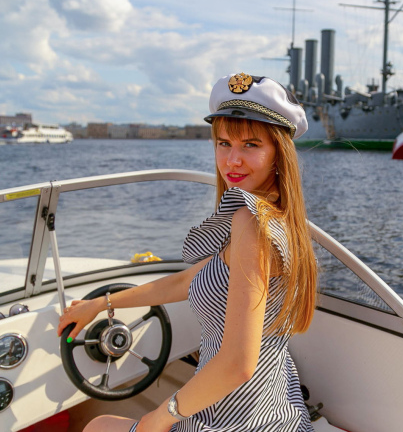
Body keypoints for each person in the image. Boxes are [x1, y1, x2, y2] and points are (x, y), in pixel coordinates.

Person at [57, 72, 318, 432]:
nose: (232, 160)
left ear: (278, 153)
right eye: (224, 143)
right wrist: (102, 304)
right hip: (275, 406)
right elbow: (185, 281)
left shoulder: (251, 223)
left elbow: (237, 364)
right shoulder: (278, 217)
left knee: (97, 426)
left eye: (250, 145)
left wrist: (156, 419)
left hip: (235, 418)